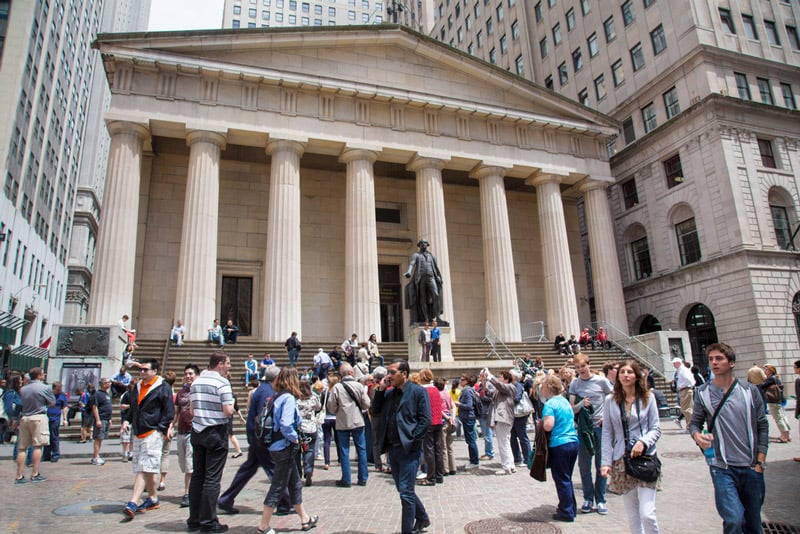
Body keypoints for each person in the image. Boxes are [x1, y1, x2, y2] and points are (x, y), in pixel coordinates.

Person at [689, 343, 769, 534]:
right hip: (722, 467)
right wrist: (696, 435)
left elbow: (762, 425)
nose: (714, 363)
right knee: (733, 519)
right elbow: (694, 423)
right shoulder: (702, 393)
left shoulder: (750, 391)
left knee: (753, 523)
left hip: (751, 466)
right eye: (711, 360)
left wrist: (760, 461)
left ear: (731, 363)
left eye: (719, 359)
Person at [218, 366, 292, 516]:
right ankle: (285, 502)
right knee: (274, 468)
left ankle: (226, 499)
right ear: (276, 378)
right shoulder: (267, 392)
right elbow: (264, 417)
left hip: (255, 436)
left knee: (248, 468)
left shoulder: (263, 389)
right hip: (261, 438)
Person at [600, 360, 662, 534]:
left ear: (637, 376)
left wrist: (644, 442)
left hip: (645, 458)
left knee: (647, 514)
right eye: (622, 372)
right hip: (622, 459)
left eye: (629, 372)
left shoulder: (648, 398)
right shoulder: (610, 400)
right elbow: (607, 434)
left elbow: (656, 428)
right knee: (633, 514)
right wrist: (606, 462)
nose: (626, 375)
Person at [371, 360, 432, 534]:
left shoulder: (418, 392)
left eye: (392, 372)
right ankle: (422, 517)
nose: (388, 376)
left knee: (406, 492)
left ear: (403, 374)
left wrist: (412, 441)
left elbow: (425, 420)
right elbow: (375, 410)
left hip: (409, 449)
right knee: (403, 489)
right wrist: (381, 389)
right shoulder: (389, 394)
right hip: (392, 449)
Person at [256, 367, 319, 534]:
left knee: (295, 483)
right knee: (277, 486)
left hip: (276, 446)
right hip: (284, 446)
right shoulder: (288, 398)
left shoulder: (275, 397)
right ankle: (263, 526)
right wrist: (295, 438)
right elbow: (285, 424)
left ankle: (305, 519)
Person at [121, 358, 175, 519]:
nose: (142, 372)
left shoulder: (162, 387)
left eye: (145, 370)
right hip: (138, 431)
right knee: (148, 468)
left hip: (153, 432)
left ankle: (133, 501)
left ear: (154, 371)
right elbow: (134, 407)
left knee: (143, 467)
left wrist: (160, 429)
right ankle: (152, 498)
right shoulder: (137, 386)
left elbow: (169, 411)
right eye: (141, 369)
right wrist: (126, 420)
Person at [188, 352, 234, 534]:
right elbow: (228, 411)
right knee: (212, 478)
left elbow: (191, 410)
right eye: (228, 363)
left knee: (197, 476)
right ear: (220, 364)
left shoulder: (196, 382)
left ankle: (194, 519)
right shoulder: (222, 383)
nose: (229, 366)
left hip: (197, 431)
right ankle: (208, 522)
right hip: (215, 432)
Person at [569, 353, 613, 515]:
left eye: (583, 366)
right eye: (577, 367)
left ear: (589, 365)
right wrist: (581, 404)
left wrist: (605, 416)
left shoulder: (601, 381)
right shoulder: (575, 384)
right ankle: (588, 498)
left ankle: (601, 499)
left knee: (602, 464)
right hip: (583, 428)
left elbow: (614, 398)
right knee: (584, 465)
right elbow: (572, 408)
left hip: (600, 427)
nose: (580, 370)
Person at [541, 374, 580, 522]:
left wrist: (542, 424)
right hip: (573, 441)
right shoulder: (564, 401)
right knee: (567, 477)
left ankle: (566, 511)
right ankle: (571, 507)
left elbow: (548, 425)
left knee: (561, 478)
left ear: (548, 388)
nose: (541, 390)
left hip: (559, 444)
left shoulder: (550, 404)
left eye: (543, 388)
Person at [327, 362, 371, 487]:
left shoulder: (337, 387)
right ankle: (363, 478)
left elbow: (331, 406)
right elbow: (367, 403)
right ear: (351, 372)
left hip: (342, 422)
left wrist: (338, 411)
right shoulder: (359, 386)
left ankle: (346, 479)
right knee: (361, 450)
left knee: (344, 450)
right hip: (358, 421)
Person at [15, 367, 55, 484]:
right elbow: (52, 402)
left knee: (22, 448)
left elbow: (20, 403)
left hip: (25, 417)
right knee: (37, 446)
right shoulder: (44, 387)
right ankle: (34, 473)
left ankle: (19, 475)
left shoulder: (23, 389)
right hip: (38, 417)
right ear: (39, 375)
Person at [175, 364, 199, 507]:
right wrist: (171, 425)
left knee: (190, 464)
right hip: (181, 431)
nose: (188, 376)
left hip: (193, 431)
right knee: (183, 464)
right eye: (186, 374)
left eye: (191, 374)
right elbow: (177, 411)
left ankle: (187, 493)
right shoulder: (181, 392)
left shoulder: (199, 391)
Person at [484, 370, 517, 475]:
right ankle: (510, 465)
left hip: (503, 418)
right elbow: (489, 393)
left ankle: (506, 467)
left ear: (506, 379)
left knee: (503, 443)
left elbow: (499, 385)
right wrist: (484, 381)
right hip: (502, 418)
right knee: (506, 442)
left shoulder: (510, 387)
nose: (499, 379)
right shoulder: (501, 390)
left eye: (501, 377)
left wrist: (490, 376)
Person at [403, 239, 443, 324]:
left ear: (427, 244)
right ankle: (426, 318)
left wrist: (438, 277)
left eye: (425, 243)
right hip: (421, 279)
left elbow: (435, 267)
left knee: (436, 295)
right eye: (421, 243)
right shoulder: (416, 255)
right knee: (423, 299)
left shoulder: (432, 256)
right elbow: (412, 263)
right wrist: (409, 271)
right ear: (419, 245)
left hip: (431, 277)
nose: (423, 244)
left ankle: (438, 317)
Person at [418, 368, 444, 485]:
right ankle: (439, 475)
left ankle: (431, 477)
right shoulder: (435, 389)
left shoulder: (422, 390)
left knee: (429, 450)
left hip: (428, 422)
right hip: (438, 421)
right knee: (438, 450)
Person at [297, 380, 322, 486]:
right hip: (311, 427)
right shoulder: (313, 397)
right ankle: (308, 470)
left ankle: (298, 473)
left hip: (299, 428)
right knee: (310, 450)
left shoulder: (296, 398)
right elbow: (318, 407)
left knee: (297, 452)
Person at [759, 364, 791, 443]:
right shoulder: (776, 378)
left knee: (778, 419)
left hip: (773, 401)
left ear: (770, 371)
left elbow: (761, 386)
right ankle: (787, 435)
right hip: (778, 401)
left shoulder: (770, 379)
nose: (764, 371)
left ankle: (784, 437)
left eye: (766, 369)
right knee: (782, 417)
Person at [456, 373, 480, 469]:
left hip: (468, 418)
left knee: (471, 440)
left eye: (462, 379)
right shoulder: (467, 390)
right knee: (470, 439)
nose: (460, 381)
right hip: (467, 418)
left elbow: (469, 406)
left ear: (467, 381)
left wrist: (459, 404)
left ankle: (474, 461)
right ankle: (473, 460)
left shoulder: (467, 391)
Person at [509, 369, 532, 467]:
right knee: (513, 437)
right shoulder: (512, 385)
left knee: (522, 436)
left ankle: (527, 459)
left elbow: (517, 398)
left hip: (520, 414)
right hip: (513, 414)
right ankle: (517, 458)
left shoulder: (517, 385)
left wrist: (507, 401)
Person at [42, 381, 67, 463]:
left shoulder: (62, 396)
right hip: (46, 417)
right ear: (53, 389)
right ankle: (46, 455)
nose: (59, 391)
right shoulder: (49, 395)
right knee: (46, 437)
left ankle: (55, 454)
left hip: (55, 418)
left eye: (60, 389)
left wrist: (65, 419)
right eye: (57, 390)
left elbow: (64, 407)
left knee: (54, 436)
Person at [91, 378, 113, 465]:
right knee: (98, 438)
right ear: (103, 384)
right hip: (101, 418)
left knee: (101, 438)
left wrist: (110, 419)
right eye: (108, 383)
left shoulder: (106, 394)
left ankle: (96, 456)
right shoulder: (98, 394)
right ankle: (95, 457)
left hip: (106, 419)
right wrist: (97, 420)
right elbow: (95, 407)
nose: (109, 384)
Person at [672, 357, 695, 431]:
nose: (673, 365)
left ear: (679, 363)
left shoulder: (683, 370)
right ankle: (689, 426)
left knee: (686, 409)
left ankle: (689, 426)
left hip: (685, 390)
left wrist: (682, 386)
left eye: (674, 363)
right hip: (685, 389)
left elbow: (688, 380)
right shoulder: (682, 370)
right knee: (687, 408)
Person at [119, 382, 134, 462]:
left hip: (134, 419)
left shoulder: (137, 395)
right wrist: (130, 406)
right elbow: (121, 405)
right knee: (126, 438)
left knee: (132, 438)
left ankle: (131, 453)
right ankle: (125, 453)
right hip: (126, 418)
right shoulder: (126, 395)